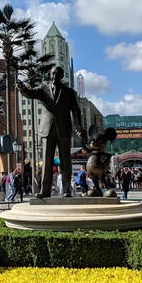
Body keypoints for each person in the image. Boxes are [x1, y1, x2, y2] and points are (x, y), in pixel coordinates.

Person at [17, 66, 86, 198]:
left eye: (57, 74)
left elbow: (76, 110)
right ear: (50, 75)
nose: (54, 76)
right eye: (52, 74)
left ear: (61, 76)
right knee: (47, 160)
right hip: (47, 129)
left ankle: (66, 190)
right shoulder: (43, 89)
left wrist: (78, 126)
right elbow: (31, 94)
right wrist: (23, 89)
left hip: (64, 129)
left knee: (65, 160)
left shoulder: (69, 92)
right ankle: (45, 190)